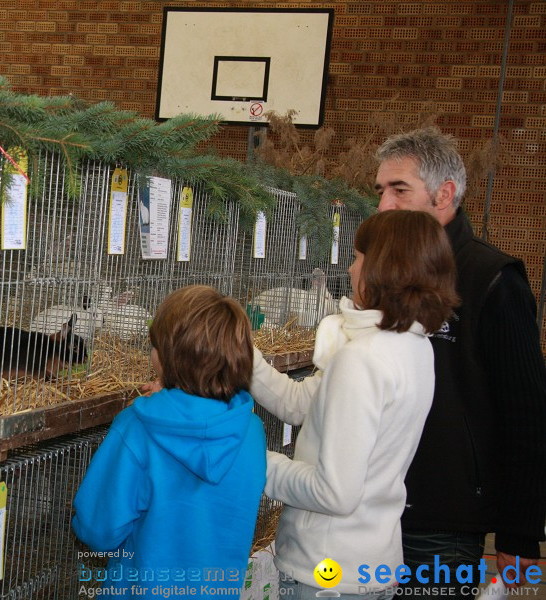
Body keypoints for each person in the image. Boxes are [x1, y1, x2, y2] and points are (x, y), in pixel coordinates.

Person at [248, 210, 460, 598]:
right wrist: (246, 356)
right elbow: (302, 404)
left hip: (326, 571)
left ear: (384, 268)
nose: (350, 267)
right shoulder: (415, 348)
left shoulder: (361, 358)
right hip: (371, 562)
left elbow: (335, 493)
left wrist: (253, 459)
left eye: (359, 257)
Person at [374, 127, 546, 595]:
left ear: (444, 194)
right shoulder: (384, 276)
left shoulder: (492, 279)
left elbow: (527, 413)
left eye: (399, 190)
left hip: (443, 523)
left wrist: (520, 530)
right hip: (373, 512)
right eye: (381, 191)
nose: (385, 204)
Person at [72, 285, 266, 599]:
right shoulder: (251, 431)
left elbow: (98, 529)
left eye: (155, 346)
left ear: (169, 357)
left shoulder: (138, 428)